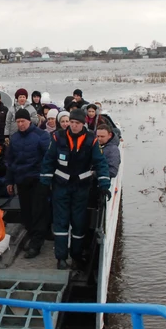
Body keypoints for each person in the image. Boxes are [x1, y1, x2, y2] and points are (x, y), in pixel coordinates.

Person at [40, 109, 111, 270]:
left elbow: (101, 163)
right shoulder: (58, 137)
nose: (73, 126)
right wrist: (45, 182)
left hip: (81, 187)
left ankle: (77, 255)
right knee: (61, 222)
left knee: (79, 223)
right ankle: (61, 257)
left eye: (77, 123)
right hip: (61, 187)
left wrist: (104, 185)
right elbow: (49, 160)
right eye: (71, 122)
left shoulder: (91, 140)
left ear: (83, 124)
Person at [6, 108, 52, 258]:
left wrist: (47, 178)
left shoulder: (41, 136)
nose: (20, 124)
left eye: (22, 121)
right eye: (18, 122)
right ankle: (33, 236)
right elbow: (10, 161)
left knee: (38, 211)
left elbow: (48, 158)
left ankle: (36, 244)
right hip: (21, 180)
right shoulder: (15, 139)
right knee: (26, 213)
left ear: (29, 121)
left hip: (38, 180)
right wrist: (10, 181)